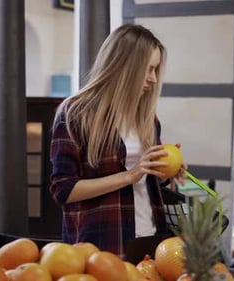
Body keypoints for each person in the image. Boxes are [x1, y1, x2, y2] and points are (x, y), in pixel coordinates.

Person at [49, 23, 186, 259]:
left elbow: (144, 181)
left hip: (150, 240)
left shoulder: (146, 118)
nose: (153, 79)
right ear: (125, 66)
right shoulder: (76, 114)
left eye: (156, 70)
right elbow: (63, 190)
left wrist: (164, 173)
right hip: (99, 247)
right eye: (148, 69)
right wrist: (129, 176)